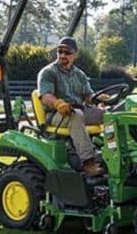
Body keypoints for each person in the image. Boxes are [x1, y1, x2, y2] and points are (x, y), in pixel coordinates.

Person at [37, 36, 106, 177]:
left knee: (111, 115)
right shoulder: (48, 72)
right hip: (56, 114)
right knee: (76, 115)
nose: (62, 55)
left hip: (78, 109)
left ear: (75, 54)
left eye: (67, 52)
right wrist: (58, 103)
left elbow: (88, 96)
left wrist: (99, 100)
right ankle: (88, 163)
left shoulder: (79, 75)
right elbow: (45, 96)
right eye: (60, 51)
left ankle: (115, 154)